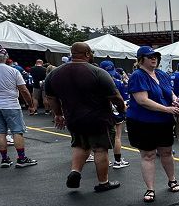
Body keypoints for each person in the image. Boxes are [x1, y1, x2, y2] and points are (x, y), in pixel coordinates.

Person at [44, 42, 125, 193]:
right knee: (100, 149)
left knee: (80, 145)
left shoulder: (54, 73)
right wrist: (122, 109)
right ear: (87, 54)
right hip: (98, 118)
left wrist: (58, 114)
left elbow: (51, 97)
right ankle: (103, 182)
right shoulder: (98, 72)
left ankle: (75, 171)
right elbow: (116, 96)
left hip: (73, 117)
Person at [125, 46, 179, 203]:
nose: (154, 58)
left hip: (163, 121)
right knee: (148, 155)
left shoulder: (161, 74)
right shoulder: (138, 76)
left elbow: (169, 92)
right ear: (141, 59)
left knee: (166, 152)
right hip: (143, 122)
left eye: (155, 56)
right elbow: (142, 100)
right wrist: (167, 109)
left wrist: (175, 99)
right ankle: (150, 188)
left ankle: (172, 179)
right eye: (150, 56)